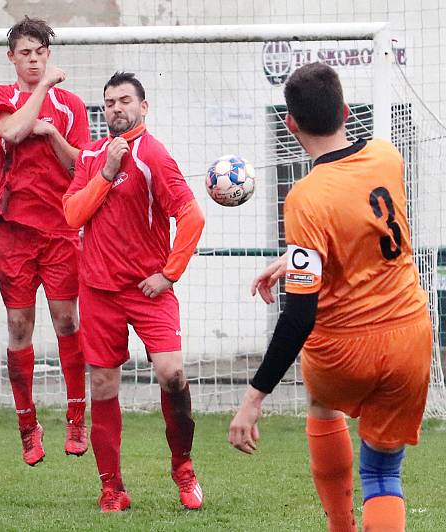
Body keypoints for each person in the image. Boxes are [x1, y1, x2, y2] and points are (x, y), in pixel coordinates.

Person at [229, 62, 432, 532]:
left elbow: (300, 313)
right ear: (345, 110)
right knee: (383, 474)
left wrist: (254, 397)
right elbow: (366, 231)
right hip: (408, 339)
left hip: (343, 349)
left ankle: (340, 526)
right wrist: (294, 259)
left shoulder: (305, 197)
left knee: (324, 407)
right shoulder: (387, 157)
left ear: (291, 124)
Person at [63, 72, 206, 512]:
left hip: (148, 291)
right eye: (108, 102)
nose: (115, 108)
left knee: (171, 374)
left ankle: (183, 467)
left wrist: (169, 274)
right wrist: (105, 172)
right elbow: (72, 215)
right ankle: (112, 488)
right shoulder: (91, 155)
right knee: (103, 384)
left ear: (143, 107)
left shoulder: (154, 155)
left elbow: (191, 215)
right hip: (99, 291)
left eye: (125, 101)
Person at [0, 16, 91, 465]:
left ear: (49, 53)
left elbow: (78, 167)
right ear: (12, 58)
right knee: (19, 327)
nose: (32, 59)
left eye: (39, 52)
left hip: (62, 229)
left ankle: (76, 417)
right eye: (24, 53)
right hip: (13, 231)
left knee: (67, 320)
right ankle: (28, 426)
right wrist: (42, 89)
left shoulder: (73, 106)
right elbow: (10, 132)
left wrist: (54, 133)